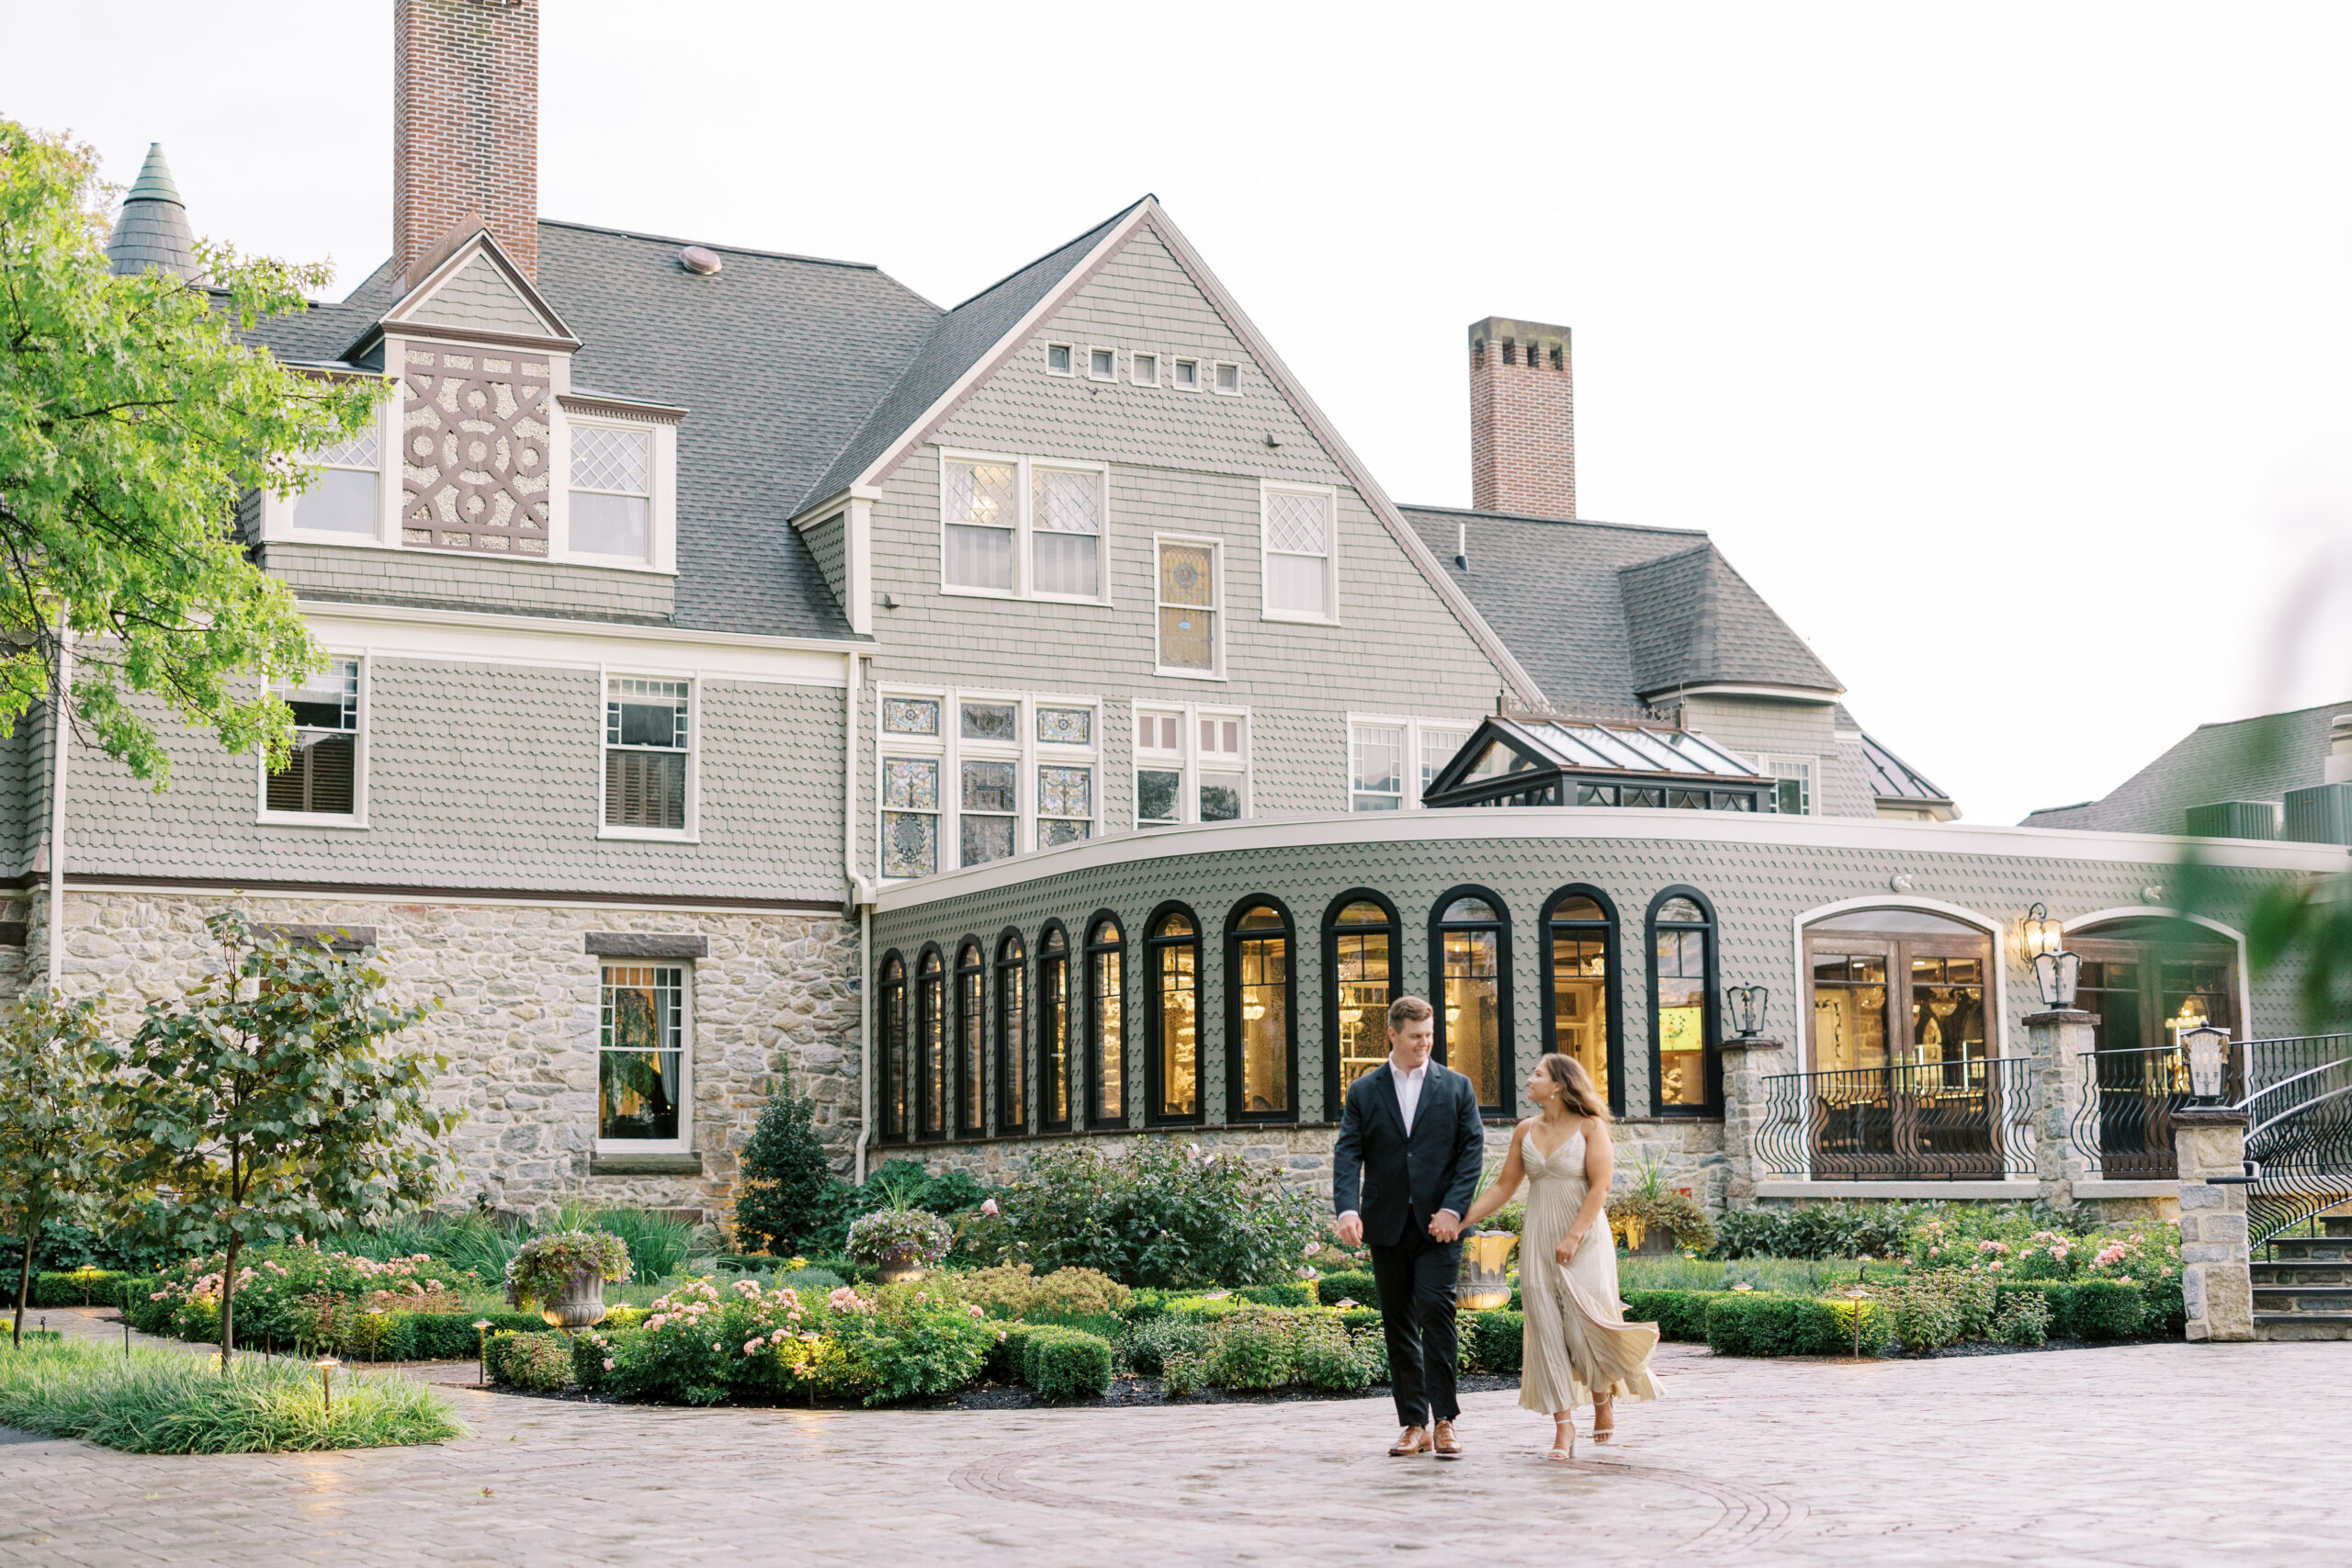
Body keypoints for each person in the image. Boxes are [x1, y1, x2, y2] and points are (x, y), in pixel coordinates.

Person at [1461, 1052, 1662, 1459]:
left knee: (1584, 1326)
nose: (1529, 1080)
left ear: (1558, 1085)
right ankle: (1563, 1428)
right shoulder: (1525, 1130)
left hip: (1583, 1237)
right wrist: (1458, 1221)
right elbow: (1504, 1186)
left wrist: (1573, 1236)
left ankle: (1602, 1398)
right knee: (1547, 1331)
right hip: (1538, 1237)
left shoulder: (1590, 1127)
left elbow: (1600, 1187)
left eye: (1537, 1075)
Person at [1330, 995, 1487, 1459]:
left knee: (1437, 1313)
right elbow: (1348, 1153)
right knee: (1397, 1322)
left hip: (1439, 1227)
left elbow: (1471, 1153)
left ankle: (1445, 1421)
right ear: (1393, 1035)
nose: (1425, 1043)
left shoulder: (1457, 1087)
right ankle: (1412, 1423)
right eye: (1416, 1036)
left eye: (1430, 1035)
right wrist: (1347, 1210)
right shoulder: (1363, 1090)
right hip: (1387, 1224)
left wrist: (1454, 1210)